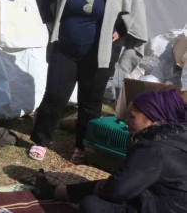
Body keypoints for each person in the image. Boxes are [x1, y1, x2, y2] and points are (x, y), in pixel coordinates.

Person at [29, 0, 147, 163]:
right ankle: (41, 141)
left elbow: (134, 13)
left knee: (90, 103)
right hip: (65, 51)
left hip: (98, 55)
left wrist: (120, 30)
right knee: (54, 96)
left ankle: (81, 146)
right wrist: (50, 22)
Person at [34, 89, 187, 213]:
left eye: (131, 117)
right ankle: (52, 191)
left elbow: (117, 191)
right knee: (110, 184)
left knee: (92, 204)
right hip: (167, 200)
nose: (126, 124)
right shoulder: (176, 135)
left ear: (152, 120)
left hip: (165, 207)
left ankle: (52, 192)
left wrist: (105, 188)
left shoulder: (153, 147)